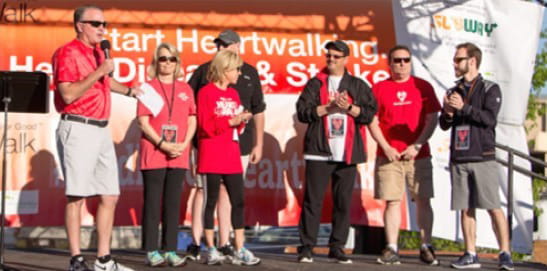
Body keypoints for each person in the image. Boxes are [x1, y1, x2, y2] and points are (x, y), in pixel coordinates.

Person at [52, 5, 139, 271]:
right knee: (77, 197)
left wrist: (129, 91)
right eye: (96, 23)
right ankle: (76, 260)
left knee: (110, 195)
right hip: (78, 127)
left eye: (105, 24)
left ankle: (103, 260)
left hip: (101, 128)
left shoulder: (97, 52)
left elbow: (103, 84)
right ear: (80, 25)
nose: (103, 29)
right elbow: (68, 94)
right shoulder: (67, 53)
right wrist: (100, 71)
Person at [186, 29, 266, 262]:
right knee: (204, 192)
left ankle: (226, 244)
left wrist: (257, 142)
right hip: (207, 147)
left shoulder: (248, 75)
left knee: (231, 195)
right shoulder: (203, 74)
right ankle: (198, 242)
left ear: (237, 46)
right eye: (218, 45)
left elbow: (257, 109)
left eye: (225, 45)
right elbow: (195, 115)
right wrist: (189, 145)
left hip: (235, 147)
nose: (220, 49)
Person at [295, 40, 377, 264]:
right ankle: (306, 246)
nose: (331, 59)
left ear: (346, 60)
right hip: (319, 150)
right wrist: (329, 108)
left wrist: (348, 107)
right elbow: (303, 112)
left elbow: (369, 114)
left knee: (343, 200)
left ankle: (337, 246)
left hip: (347, 151)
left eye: (336, 56)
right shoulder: (315, 83)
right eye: (329, 55)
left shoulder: (357, 85)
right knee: (313, 200)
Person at [439, 42, 514, 270]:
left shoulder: (490, 88)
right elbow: (444, 125)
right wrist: (449, 113)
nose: (454, 63)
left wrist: (464, 108)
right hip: (459, 157)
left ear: (472, 61)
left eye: (458, 59)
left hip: (483, 156)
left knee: (493, 206)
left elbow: (490, 120)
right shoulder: (454, 90)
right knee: (465, 207)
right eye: (454, 59)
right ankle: (470, 253)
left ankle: (505, 253)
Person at [368, 45, 441, 265]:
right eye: (397, 60)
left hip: (418, 155)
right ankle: (391, 247)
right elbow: (372, 121)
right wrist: (386, 146)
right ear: (389, 63)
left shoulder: (423, 87)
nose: (401, 64)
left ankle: (426, 245)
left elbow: (432, 119)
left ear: (410, 62)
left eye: (405, 60)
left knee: (423, 200)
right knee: (391, 201)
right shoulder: (379, 88)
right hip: (388, 155)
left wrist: (417, 145)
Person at [136, 42, 196, 267]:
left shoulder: (185, 89)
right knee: (152, 203)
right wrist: (162, 143)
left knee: (173, 204)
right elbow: (143, 121)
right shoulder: (148, 87)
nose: (167, 63)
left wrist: (184, 143)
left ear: (178, 63)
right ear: (155, 62)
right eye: (163, 58)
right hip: (154, 151)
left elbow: (192, 118)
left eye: (172, 59)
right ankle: (151, 250)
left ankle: (170, 249)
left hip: (178, 152)